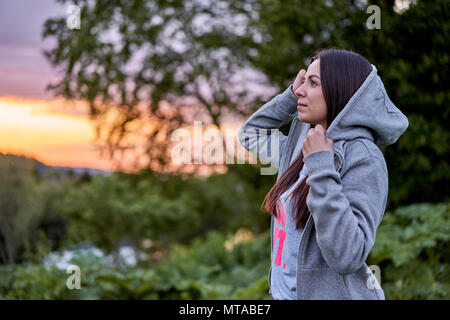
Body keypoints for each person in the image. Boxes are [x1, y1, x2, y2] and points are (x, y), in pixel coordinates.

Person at [238, 48, 409, 300]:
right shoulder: (302, 145)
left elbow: (348, 255)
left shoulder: (363, 156)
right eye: (302, 82)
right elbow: (250, 133)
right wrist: (288, 99)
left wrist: (321, 166)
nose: (300, 90)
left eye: (313, 83)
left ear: (341, 91)